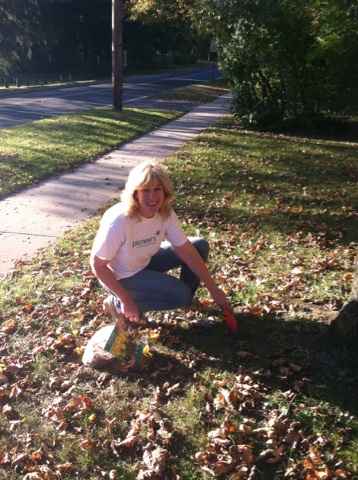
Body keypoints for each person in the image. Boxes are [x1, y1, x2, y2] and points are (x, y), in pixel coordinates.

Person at [90, 160, 230, 327]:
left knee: (199, 246)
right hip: (121, 276)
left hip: (145, 261)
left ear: (165, 191)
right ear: (135, 193)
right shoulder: (120, 221)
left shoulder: (165, 213)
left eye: (157, 189)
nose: (152, 197)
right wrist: (125, 298)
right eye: (145, 190)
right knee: (180, 294)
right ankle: (118, 305)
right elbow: (97, 265)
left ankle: (185, 300)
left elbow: (189, 253)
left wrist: (213, 288)